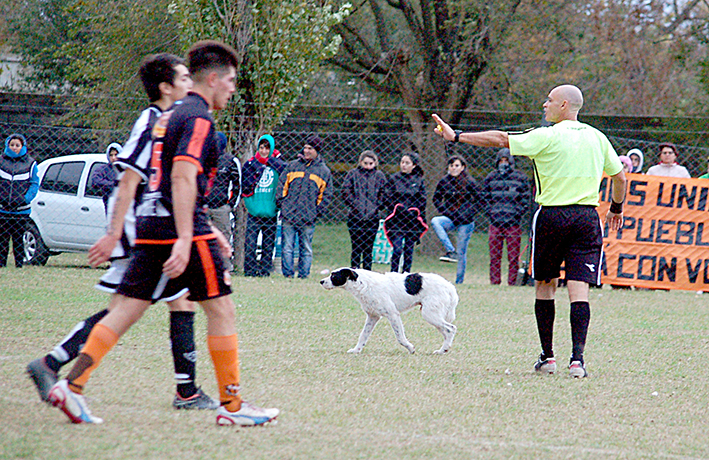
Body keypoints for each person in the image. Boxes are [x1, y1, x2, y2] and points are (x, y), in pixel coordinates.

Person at [45, 41, 278, 426]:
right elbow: (183, 175)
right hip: (176, 226)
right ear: (215, 79)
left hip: (151, 223)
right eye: (232, 81)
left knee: (126, 311)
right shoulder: (199, 117)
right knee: (221, 308)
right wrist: (189, 236)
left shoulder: (171, 115)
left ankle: (71, 385)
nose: (234, 89)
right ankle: (233, 407)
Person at [27, 53, 219, 411]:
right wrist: (115, 232)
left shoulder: (172, 119)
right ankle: (53, 365)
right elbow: (128, 178)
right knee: (124, 309)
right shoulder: (153, 122)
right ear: (165, 87)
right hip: (141, 231)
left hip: (152, 226)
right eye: (182, 78)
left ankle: (187, 390)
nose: (189, 83)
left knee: (176, 300)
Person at [433, 84, 627, 378]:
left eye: (549, 100)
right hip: (587, 218)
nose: (544, 104)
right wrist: (615, 208)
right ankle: (577, 362)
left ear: (564, 105)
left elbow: (499, 138)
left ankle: (548, 358)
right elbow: (620, 177)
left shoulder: (546, 135)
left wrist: (456, 136)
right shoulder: (597, 137)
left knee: (545, 286)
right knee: (579, 289)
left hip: (551, 216)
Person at [276, 135, 332, 279]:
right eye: (305, 147)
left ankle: (303, 275)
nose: (306, 150)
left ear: (317, 151)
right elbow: (282, 185)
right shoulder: (292, 166)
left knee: (306, 248)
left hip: (308, 217)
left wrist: (316, 212)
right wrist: (283, 204)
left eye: (310, 148)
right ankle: (287, 274)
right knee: (287, 247)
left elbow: (326, 195)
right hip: (289, 214)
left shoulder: (324, 171)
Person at [481, 148, 531, 286]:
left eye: (506, 161)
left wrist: (517, 214)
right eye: (501, 160)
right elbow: (484, 198)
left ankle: (512, 282)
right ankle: (494, 282)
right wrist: (490, 213)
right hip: (495, 222)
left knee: (513, 257)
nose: (504, 163)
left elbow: (525, 199)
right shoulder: (491, 177)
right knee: (494, 256)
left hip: (513, 224)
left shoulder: (520, 178)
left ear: (511, 162)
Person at [241, 134, 287, 277]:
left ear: (271, 149)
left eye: (267, 148)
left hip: (271, 212)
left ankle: (265, 271)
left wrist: (276, 207)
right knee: (250, 243)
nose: (264, 151)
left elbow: (281, 188)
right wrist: (251, 206)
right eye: (261, 147)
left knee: (268, 244)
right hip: (254, 212)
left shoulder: (279, 167)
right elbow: (245, 188)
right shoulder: (250, 165)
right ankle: (249, 271)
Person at [430, 155, 477, 284]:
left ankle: (459, 281)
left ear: (463, 167)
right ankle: (450, 250)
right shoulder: (444, 181)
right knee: (436, 221)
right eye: (451, 165)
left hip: (466, 221)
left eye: (456, 165)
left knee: (462, 251)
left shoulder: (470, 182)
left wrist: (468, 214)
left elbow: (479, 200)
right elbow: (436, 199)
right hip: (451, 218)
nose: (453, 168)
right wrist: (446, 211)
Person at [381, 152, 427, 274]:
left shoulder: (419, 180)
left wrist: (414, 211)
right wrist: (397, 208)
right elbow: (387, 197)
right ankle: (393, 274)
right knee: (397, 249)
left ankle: (406, 274)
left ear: (414, 165)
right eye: (402, 162)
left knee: (408, 250)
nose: (404, 165)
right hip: (397, 220)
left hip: (411, 221)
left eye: (407, 163)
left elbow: (422, 199)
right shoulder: (394, 179)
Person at [342, 150, 387, 270]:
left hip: (373, 217)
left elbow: (384, 194)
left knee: (368, 248)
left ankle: (367, 274)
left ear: (375, 163)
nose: (368, 166)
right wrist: (355, 206)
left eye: (370, 163)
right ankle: (354, 272)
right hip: (355, 217)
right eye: (365, 163)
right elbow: (346, 191)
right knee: (356, 247)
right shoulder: (353, 174)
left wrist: (376, 207)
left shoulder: (379, 176)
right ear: (360, 162)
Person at [0, 133, 39, 268]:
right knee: (2, 239)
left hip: (21, 210)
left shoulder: (31, 163)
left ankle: (19, 265)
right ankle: (1, 264)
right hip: (3, 208)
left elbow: (34, 183)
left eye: (17, 145)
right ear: (7, 146)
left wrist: (25, 199)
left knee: (18, 238)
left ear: (23, 147)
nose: (14, 148)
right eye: (12, 145)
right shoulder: (1, 161)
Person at [205, 131, 241, 272]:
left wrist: (230, 206)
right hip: (205, 207)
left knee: (224, 238)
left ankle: (224, 268)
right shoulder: (205, 159)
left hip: (222, 208)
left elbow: (238, 185)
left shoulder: (231, 161)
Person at [92, 143, 122, 213]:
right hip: (111, 205)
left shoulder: (125, 169)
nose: (114, 158)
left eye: (116, 155)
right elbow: (95, 180)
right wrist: (113, 184)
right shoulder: (103, 170)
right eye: (111, 155)